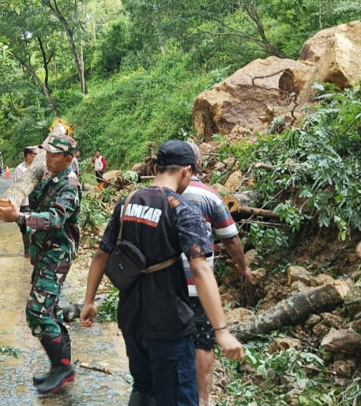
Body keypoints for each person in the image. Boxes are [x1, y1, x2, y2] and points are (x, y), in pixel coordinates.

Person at [79, 140, 243, 406]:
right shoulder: (182, 211)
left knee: (144, 387)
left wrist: (89, 302)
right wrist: (221, 330)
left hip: (131, 320)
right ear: (187, 171)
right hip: (168, 324)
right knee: (178, 397)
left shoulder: (127, 202)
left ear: (156, 167)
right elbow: (201, 270)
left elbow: (101, 255)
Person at [0, 135, 81, 395]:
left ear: (68, 159)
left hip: (58, 253)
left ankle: (62, 367)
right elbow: (31, 197)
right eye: (47, 154)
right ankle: (60, 367)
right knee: (49, 309)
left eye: (54, 156)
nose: (48, 159)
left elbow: (54, 219)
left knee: (37, 311)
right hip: (44, 250)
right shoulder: (49, 175)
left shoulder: (70, 184)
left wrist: (19, 216)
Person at [183, 141, 252, 406]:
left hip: (164, 285)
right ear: (198, 164)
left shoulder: (158, 194)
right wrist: (243, 267)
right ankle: (202, 400)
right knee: (203, 343)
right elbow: (231, 238)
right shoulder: (210, 196)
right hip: (200, 287)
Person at [15, 146, 38, 257]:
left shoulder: (38, 167)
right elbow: (19, 187)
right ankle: (27, 252)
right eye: (35, 155)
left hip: (36, 202)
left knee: (37, 225)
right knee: (26, 229)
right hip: (25, 204)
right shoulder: (20, 169)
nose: (37, 157)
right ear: (29, 156)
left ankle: (34, 250)